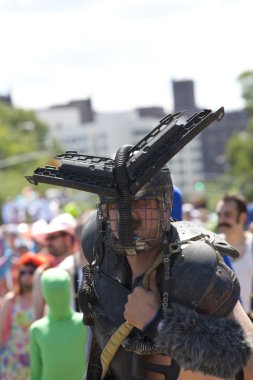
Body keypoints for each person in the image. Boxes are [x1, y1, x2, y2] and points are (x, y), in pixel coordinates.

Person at [78, 166, 253, 380]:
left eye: (142, 201)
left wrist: (158, 322)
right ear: (104, 210)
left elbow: (248, 364)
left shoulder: (193, 266)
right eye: (117, 203)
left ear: (165, 205)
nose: (127, 214)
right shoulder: (100, 251)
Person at [29, 267, 88, 380]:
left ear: (44, 294)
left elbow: (34, 374)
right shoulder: (86, 324)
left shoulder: (37, 329)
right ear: (69, 290)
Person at [0, 252, 46, 380]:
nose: (26, 275)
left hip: (33, 360)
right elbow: (1, 329)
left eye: (31, 272)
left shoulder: (42, 300)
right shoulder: (11, 300)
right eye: (23, 272)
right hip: (10, 361)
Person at [32, 213, 80, 319]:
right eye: (47, 238)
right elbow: (38, 316)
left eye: (52, 237)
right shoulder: (42, 272)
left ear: (68, 238)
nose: (48, 242)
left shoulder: (85, 267)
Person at [216, 193, 253, 316]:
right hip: (218, 324)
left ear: (242, 218)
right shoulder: (212, 245)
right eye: (219, 215)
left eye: (227, 215)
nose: (221, 220)